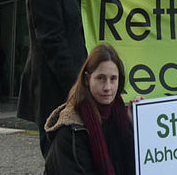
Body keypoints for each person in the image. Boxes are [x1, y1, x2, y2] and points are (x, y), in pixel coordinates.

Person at [17, 0, 90, 158]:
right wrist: (75, 86)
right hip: (54, 86)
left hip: (68, 83)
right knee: (57, 156)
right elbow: (52, 41)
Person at [45, 43, 141, 174]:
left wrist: (135, 126)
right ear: (86, 79)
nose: (107, 87)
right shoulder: (70, 131)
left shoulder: (121, 118)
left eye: (113, 79)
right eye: (100, 78)